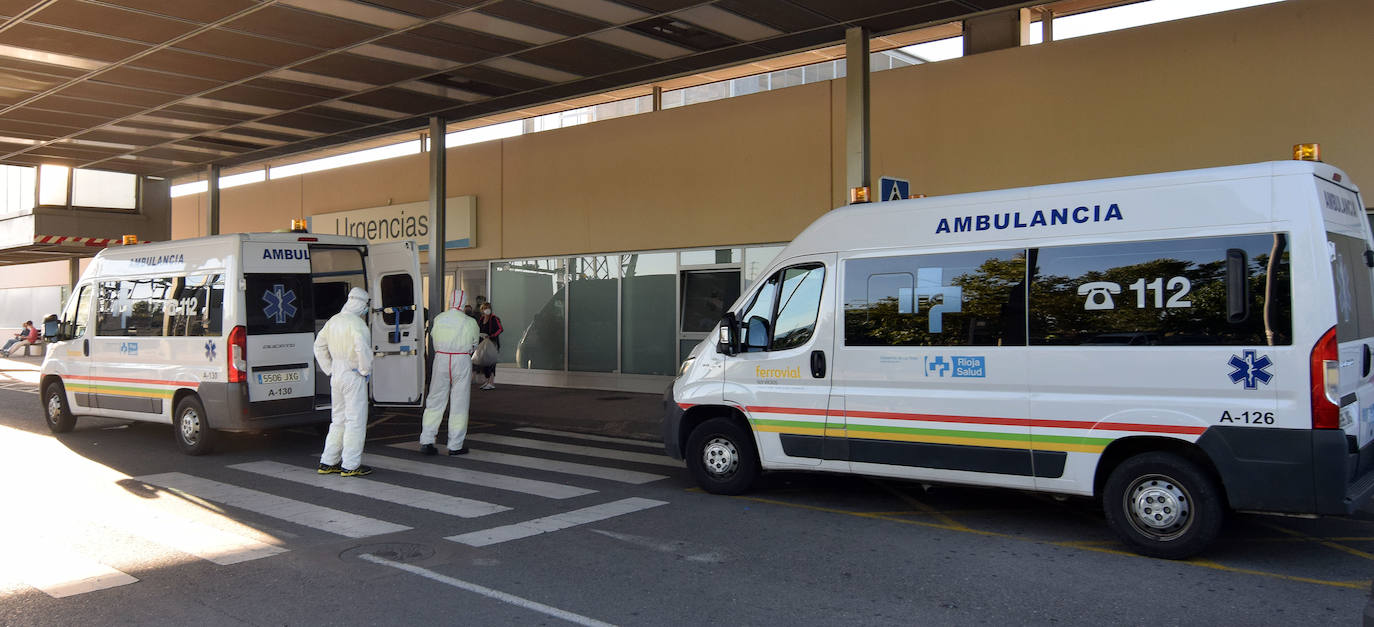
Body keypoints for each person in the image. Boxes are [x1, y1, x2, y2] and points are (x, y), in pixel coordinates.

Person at [313, 287, 374, 477]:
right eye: (366, 306)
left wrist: (329, 368)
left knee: (337, 419)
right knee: (355, 420)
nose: (366, 310)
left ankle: (328, 461)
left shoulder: (334, 321)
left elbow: (318, 345)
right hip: (353, 374)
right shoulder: (358, 325)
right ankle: (351, 464)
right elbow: (362, 351)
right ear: (360, 304)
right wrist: (365, 371)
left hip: (337, 374)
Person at [419, 289, 480, 456]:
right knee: (459, 403)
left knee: (435, 400)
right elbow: (475, 342)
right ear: (464, 302)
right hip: (461, 360)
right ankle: (455, 445)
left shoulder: (439, 319)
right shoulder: (470, 322)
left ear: (450, 301)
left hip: (441, 359)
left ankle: (427, 440)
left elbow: (432, 338)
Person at [476, 303, 502, 390]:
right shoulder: (482, 319)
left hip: (492, 343)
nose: (487, 309)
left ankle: (491, 382)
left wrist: (491, 336)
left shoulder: (494, 318)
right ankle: (487, 382)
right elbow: (478, 329)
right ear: (482, 310)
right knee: (485, 363)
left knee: (491, 363)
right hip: (484, 343)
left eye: (488, 308)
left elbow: (500, 329)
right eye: (485, 308)